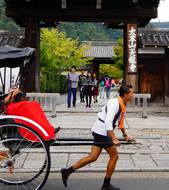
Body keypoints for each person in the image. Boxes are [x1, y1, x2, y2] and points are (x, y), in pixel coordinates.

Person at [61, 85, 135, 190]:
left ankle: (67, 171)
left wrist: (125, 135)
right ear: (126, 94)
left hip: (100, 130)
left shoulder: (122, 103)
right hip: (102, 131)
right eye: (131, 93)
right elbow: (108, 122)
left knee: (93, 157)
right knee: (114, 156)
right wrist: (113, 138)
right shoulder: (115, 103)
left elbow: (121, 123)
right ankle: (106, 184)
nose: (133, 95)